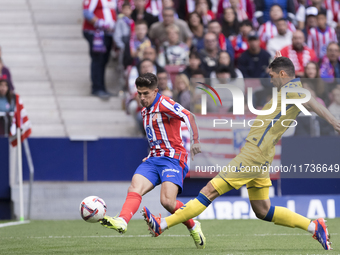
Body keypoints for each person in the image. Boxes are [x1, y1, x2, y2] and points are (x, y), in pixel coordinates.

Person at [143, 53, 340, 251]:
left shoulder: (295, 91)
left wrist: (334, 122)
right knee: (263, 210)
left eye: (272, 76)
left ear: (282, 74)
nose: (270, 80)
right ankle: (315, 227)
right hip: (261, 155)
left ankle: (163, 225)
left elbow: (313, 102)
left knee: (208, 191)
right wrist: (279, 58)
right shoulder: (289, 89)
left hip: (254, 154)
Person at [100, 72, 206, 249]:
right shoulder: (144, 111)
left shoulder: (164, 103)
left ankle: (193, 225)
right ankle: (122, 221)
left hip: (172, 159)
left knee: (167, 202)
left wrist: (195, 141)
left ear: (155, 91)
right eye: (139, 93)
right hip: (153, 159)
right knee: (135, 187)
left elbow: (189, 116)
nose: (142, 97)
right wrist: (151, 153)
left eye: (146, 93)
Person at [82, 0, 116, 98]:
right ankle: (97, 88)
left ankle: (102, 87)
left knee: (104, 60)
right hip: (96, 33)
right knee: (98, 59)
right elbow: (86, 12)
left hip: (108, 34)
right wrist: (100, 23)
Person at [114, 3, 134, 68]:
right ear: (121, 10)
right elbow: (117, 35)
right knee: (122, 63)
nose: (126, 11)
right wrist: (121, 45)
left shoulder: (132, 21)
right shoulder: (120, 21)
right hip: (124, 45)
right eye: (124, 9)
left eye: (128, 9)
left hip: (131, 45)